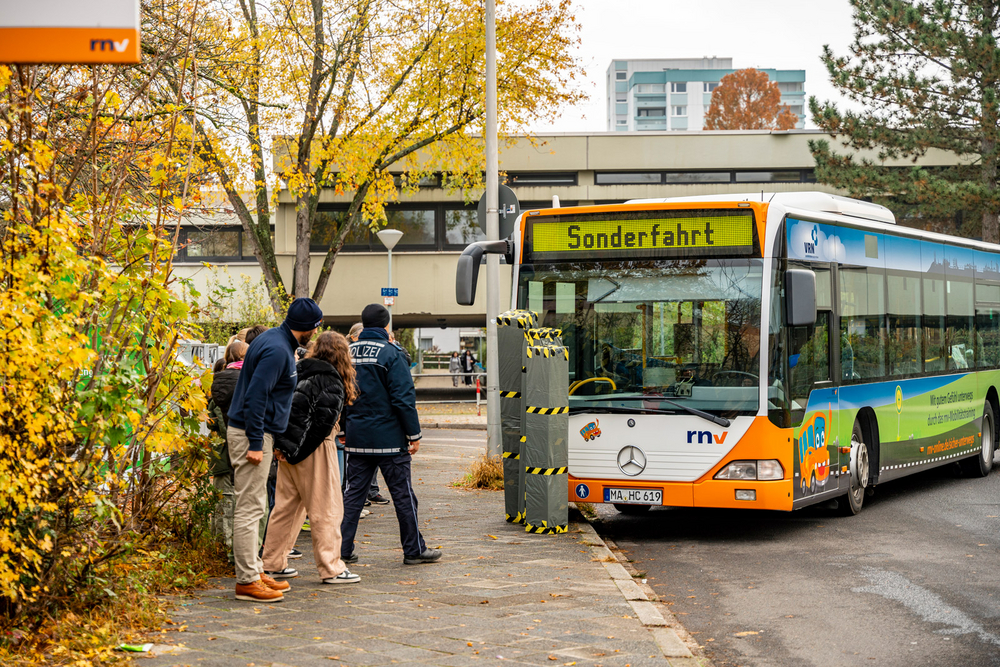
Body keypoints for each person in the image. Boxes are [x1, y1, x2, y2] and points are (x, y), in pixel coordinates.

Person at [227, 298, 323, 603]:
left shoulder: (274, 340)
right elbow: (256, 396)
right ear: (307, 328)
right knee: (250, 507)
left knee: (256, 505)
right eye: (316, 327)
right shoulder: (277, 350)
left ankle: (254, 571)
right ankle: (246, 580)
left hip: (257, 432)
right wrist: (256, 442)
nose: (316, 333)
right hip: (251, 433)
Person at [341, 304, 441, 566]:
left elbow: (339, 394)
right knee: (403, 495)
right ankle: (414, 550)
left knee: (353, 496)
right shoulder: (391, 353)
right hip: (389, 441)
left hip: (357, 439)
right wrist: (414, 434)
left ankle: (341, 549)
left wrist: (342, 428)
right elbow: (403, 398)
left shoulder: (346, 353)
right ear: (386, 326)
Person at [262, 332, 360, 585]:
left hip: (288, 449)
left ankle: (272, 563)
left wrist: (284, 449)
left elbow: (283, 410)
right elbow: (321, 425)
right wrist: (298, 452)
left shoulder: (298, 372)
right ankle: (332, 568)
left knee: (286, 509)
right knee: (326, 509)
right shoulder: (332, 381)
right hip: (315, 449)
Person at [208, 340, 248, 563]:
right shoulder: (241, 382)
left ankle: (218, 543)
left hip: (220, 451)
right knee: (228, 499)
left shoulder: (218, 382)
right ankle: (226, 546)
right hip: (229, 451)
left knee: (222, 498)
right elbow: (224, 425)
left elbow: (215, 422)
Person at [347, 321, 390, 507]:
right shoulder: (348, 354)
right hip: (360, 419)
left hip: (358, 421)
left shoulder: (386, 350)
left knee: (364, 464)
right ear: (356, 335)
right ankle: (363, 495)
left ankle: (370, 492)